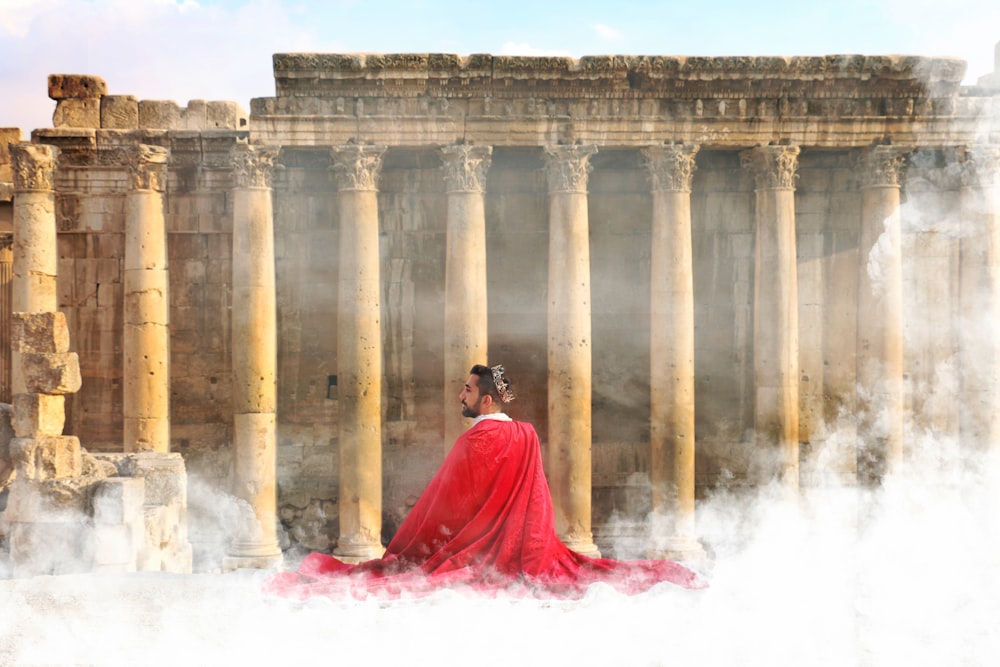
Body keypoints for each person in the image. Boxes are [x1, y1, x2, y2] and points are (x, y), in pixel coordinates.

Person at [266, 364, 706, 599]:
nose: (461, 394)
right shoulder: (525, 434)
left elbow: (443, 506)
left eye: (467, 390)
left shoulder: (476, 441)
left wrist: (405, 547)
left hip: (478, 556)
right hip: (525, 553)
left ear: (486, 398)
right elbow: (537, 505)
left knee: (396, 572)